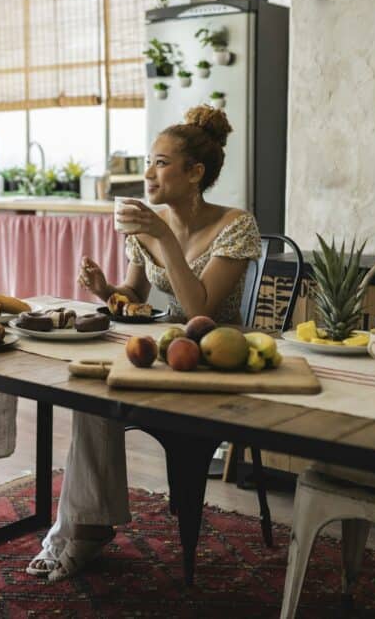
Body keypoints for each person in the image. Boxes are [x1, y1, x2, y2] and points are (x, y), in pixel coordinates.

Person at [27, 105, 262, 581]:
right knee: (90, 392)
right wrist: (102, 289)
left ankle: (74, 529)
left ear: (195, 173)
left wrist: (162, 237)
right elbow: (133, 298)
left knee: (100, 388)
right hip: (163, 349)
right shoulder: (147, 224)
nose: (148, 174)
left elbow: (201, 311)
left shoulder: (236, 225)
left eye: (160, 163)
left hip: (216, 357)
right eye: (148, 161)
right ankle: (86, 526)